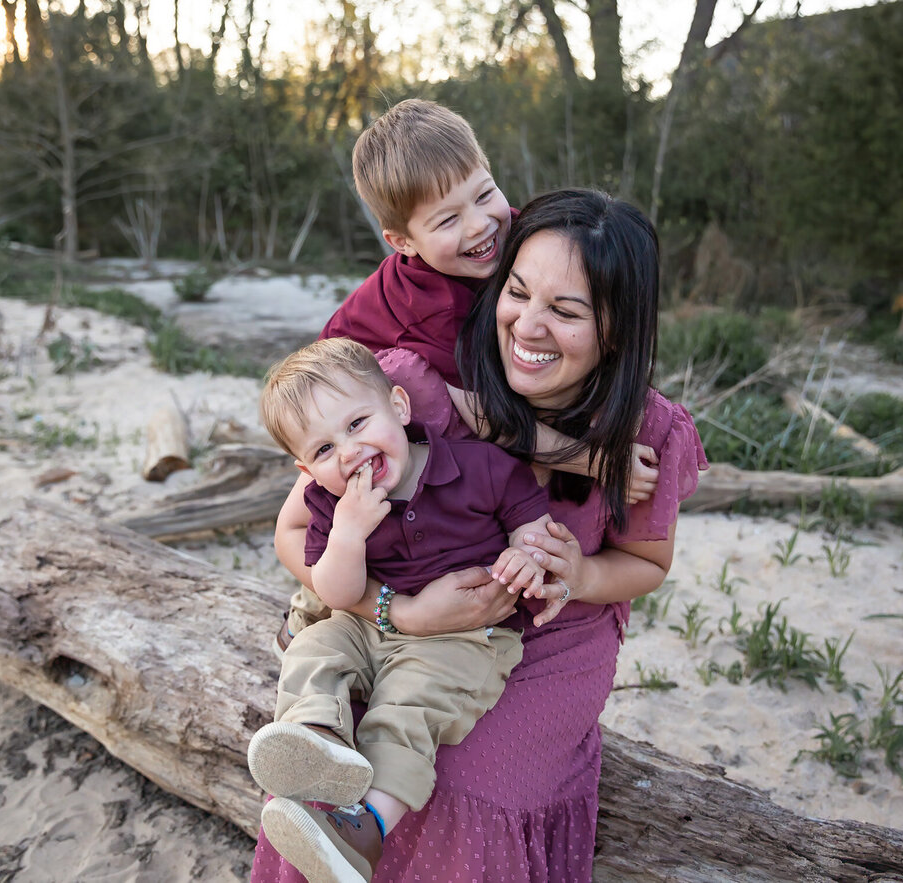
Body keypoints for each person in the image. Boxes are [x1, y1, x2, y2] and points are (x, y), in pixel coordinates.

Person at [251, 188, 709, 882]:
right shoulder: (424, 386)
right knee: (332, 741)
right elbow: (293, 532)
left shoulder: (650, 431)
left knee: (468, 780)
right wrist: (396, 610)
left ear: (615, 325)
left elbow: (647, 561)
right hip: (389, 609)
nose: (527, 325)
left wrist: (581, 574)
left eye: (565, 310)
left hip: (558, 633)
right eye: (517, 292)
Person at [279, 98, 657, 656]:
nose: (481, 224)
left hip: (458, 520)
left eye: (484, 194)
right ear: (402, 242)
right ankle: (313, 614)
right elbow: (474, 415)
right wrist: (589, 458)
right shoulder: (425, 310)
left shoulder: (512, 245)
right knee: (413, 395)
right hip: (378, 444)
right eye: (448, 220)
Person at [250, 337, 560, 882]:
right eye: (323, 451)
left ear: (398, 406)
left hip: (462, 639)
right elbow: (340, 594)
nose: (347, 453)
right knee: (315, 648)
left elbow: (532, 528)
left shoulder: (479, 467)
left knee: (408, 708)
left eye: (356, 424)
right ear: (306, 469)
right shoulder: (330, 504)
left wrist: (524, 556)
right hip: (367, 622)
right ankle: (317, 737)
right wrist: (347, 534)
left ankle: (364, 828)